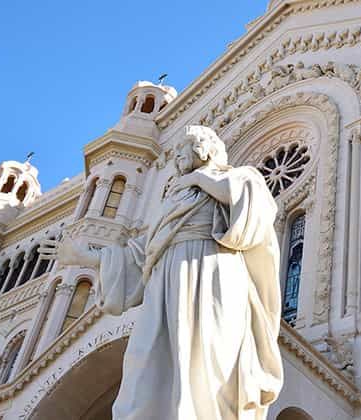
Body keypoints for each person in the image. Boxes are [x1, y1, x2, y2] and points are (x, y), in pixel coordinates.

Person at [41, 125, 283, 420]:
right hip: (164, 285)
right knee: (144, 365)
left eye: (182, 149)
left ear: (203, 149)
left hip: (212, 273)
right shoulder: (172, 200)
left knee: (206, 361)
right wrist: (84, 257)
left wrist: (197, 177)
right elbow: (140, 253)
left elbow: (250, 214)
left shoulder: (240, 177)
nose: (177, 156)